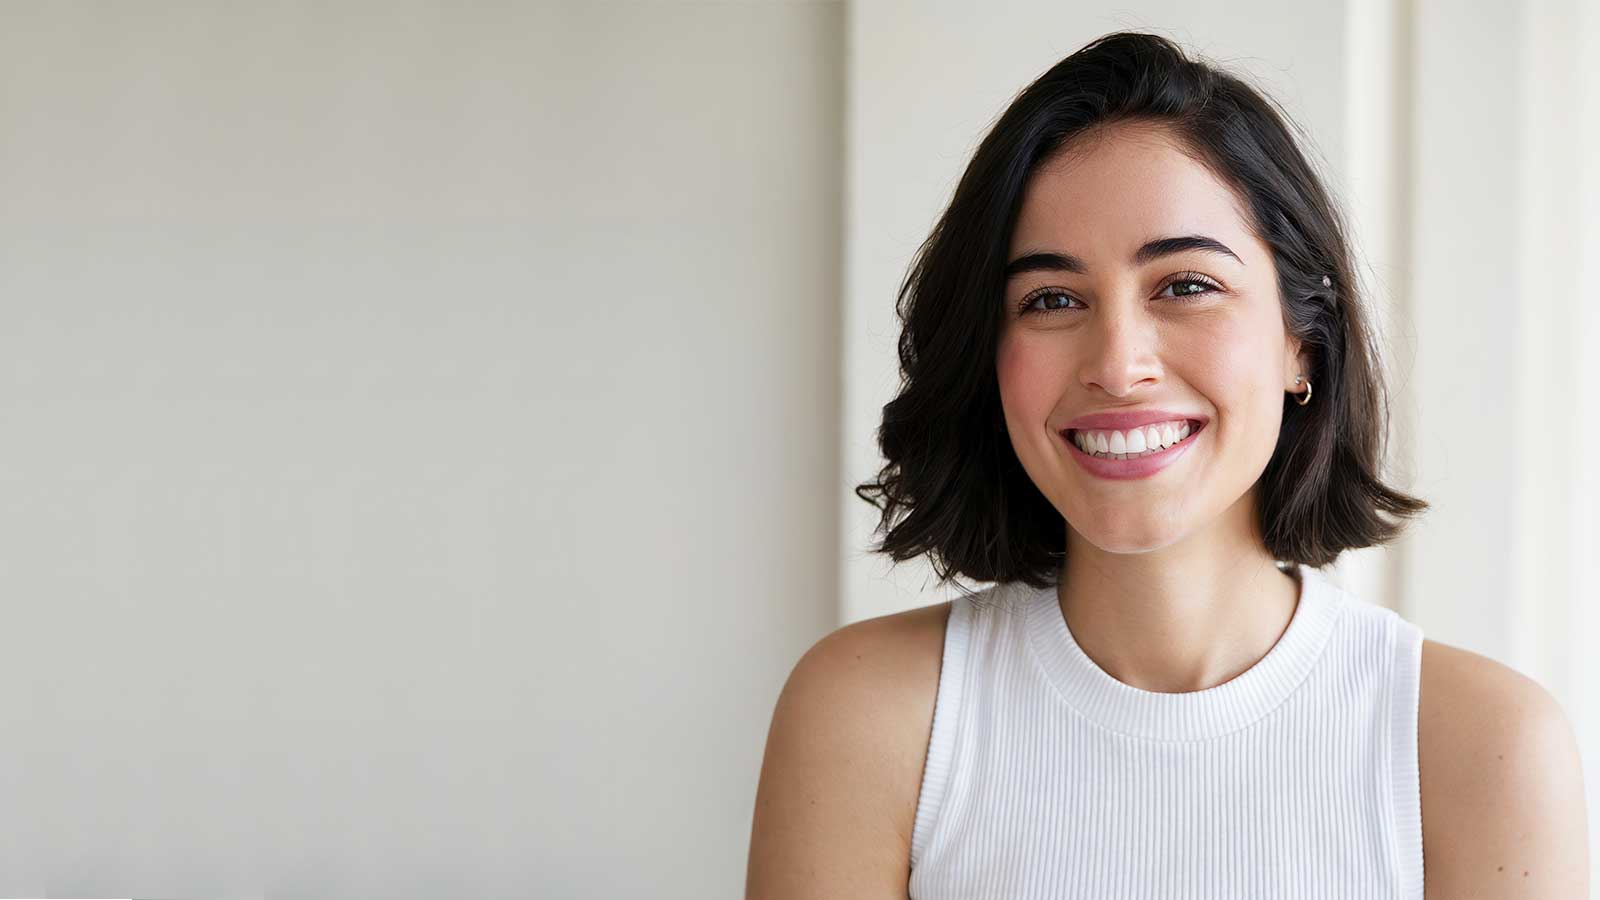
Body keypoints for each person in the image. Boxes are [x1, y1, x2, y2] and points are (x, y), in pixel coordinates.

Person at [745, 30, 1590, 899]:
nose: (1117, 363)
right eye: (1051, 299)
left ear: (1303, 342)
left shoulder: (1480, 749)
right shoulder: (868, 718)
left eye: (1184, 285)